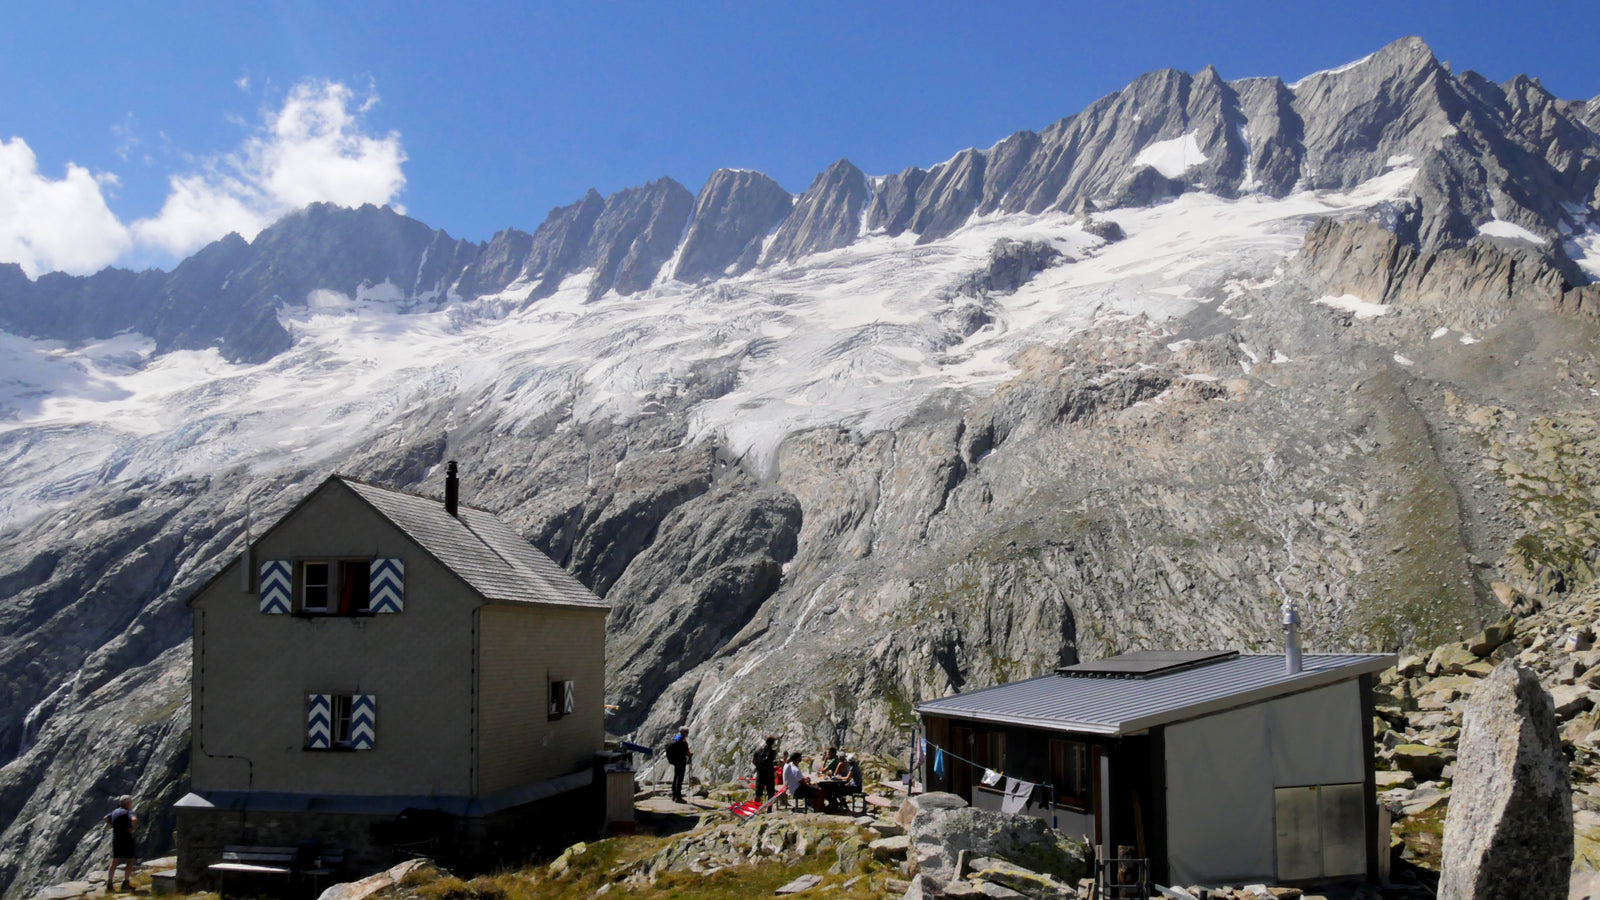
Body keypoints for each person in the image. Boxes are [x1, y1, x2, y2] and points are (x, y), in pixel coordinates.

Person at [105, 795, 137, 892]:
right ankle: (126, 883)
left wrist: (112, 825)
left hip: (116, 838)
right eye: (131, 802)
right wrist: (132, 829)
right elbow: (134, 820)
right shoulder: (128, 812)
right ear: (128, 803)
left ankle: (109, 883)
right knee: (130, 860)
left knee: (115, 860)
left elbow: (106, 817)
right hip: (126, 838)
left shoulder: (115, 811)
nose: (131, 803)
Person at [665, 726, 692, 803]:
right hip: (681, 761)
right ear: (683, 732)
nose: (687, 734)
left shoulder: (676, 738)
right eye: (687, 732)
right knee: (680, 778)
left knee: (676, 777)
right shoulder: (683, 741)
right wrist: (690, 754)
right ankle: (678, 797)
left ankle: (674, 795)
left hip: (675, 760)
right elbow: (687, 753)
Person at [752, 735, 778, 801]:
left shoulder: (759, 750)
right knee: (771, 793)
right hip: (769, 774)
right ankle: (769, 809)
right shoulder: (772, 752)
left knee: (758, 794)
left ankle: (756, 808)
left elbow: (753, 760)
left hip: (760, 774)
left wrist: (759, 767)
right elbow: (772, 760)